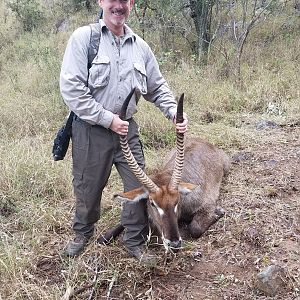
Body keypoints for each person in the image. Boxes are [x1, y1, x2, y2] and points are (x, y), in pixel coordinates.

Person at [59, 0, 188, 263]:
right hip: (91, 129)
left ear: (131, 5)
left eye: (125, 1)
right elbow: (71, 89)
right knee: (88, 188)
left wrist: (174, 112)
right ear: (101, 2)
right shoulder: (84, 38)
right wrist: (107, 119)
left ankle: (134, 241)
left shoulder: (140, 46)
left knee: (140, 189)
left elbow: (157, 86)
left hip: (127, 130)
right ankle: (82, 234)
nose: (119, 6)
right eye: (113, 0)